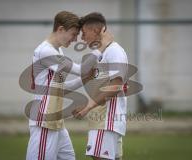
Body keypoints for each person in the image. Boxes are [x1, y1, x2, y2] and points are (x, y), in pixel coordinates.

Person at [26, 11, 113, 160]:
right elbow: (81, 70)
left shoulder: (57, 51)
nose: (74, 39)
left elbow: (61, 88)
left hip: (55, 120)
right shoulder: (46, 52)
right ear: (60, 29)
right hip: (44, 120)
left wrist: (84, 80)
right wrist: (101, 48)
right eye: (73, 34)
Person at [73, 12, 129, 160]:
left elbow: (116, 85)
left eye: (84, 34)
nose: (82, 39)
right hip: (104, 120)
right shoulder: (103, 52)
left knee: (98, 157)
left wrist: (87, 107)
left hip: (106, 120)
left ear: (96, 31)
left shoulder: (114, 51)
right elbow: (83, 72)